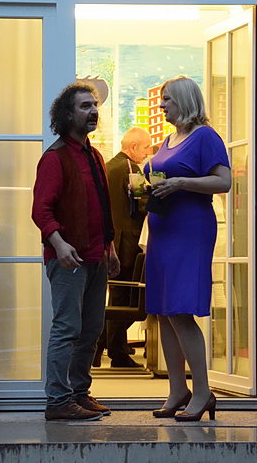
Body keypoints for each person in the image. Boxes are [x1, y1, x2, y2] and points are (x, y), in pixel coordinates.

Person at [32, 81, 121, 421]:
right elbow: (41, 211)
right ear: (67, 114)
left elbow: (101, 205)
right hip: (68, 258)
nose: (93, 111)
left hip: (97, 255)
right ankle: (58, 401)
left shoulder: (93, 155)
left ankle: (79, 393)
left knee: (91, 329)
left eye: (94, 105)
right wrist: (59, 243)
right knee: (67, 329)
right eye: (85, 106)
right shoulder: (54, 158)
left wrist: (110, 246)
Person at [144, 76, 231, 422]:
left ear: (183, 100)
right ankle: (177, 389)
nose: (161, 105)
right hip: (162, 231)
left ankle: (203, 391)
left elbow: (223, 181)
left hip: (189, 231)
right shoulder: (168, 140)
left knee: (180, 309)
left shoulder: (205, 136)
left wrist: (182, 183)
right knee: (164, 311)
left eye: (167, 99)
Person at [94, 126, 151, 368]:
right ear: (133, 147)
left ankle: (103, 345)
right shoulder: (132, 169)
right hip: (127, 244)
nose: (148, 152)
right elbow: (140, 205)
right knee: (127, 300)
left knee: (115, 297)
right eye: (146, 147)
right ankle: (115, 351)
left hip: (110, 242)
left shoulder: (107, 167)